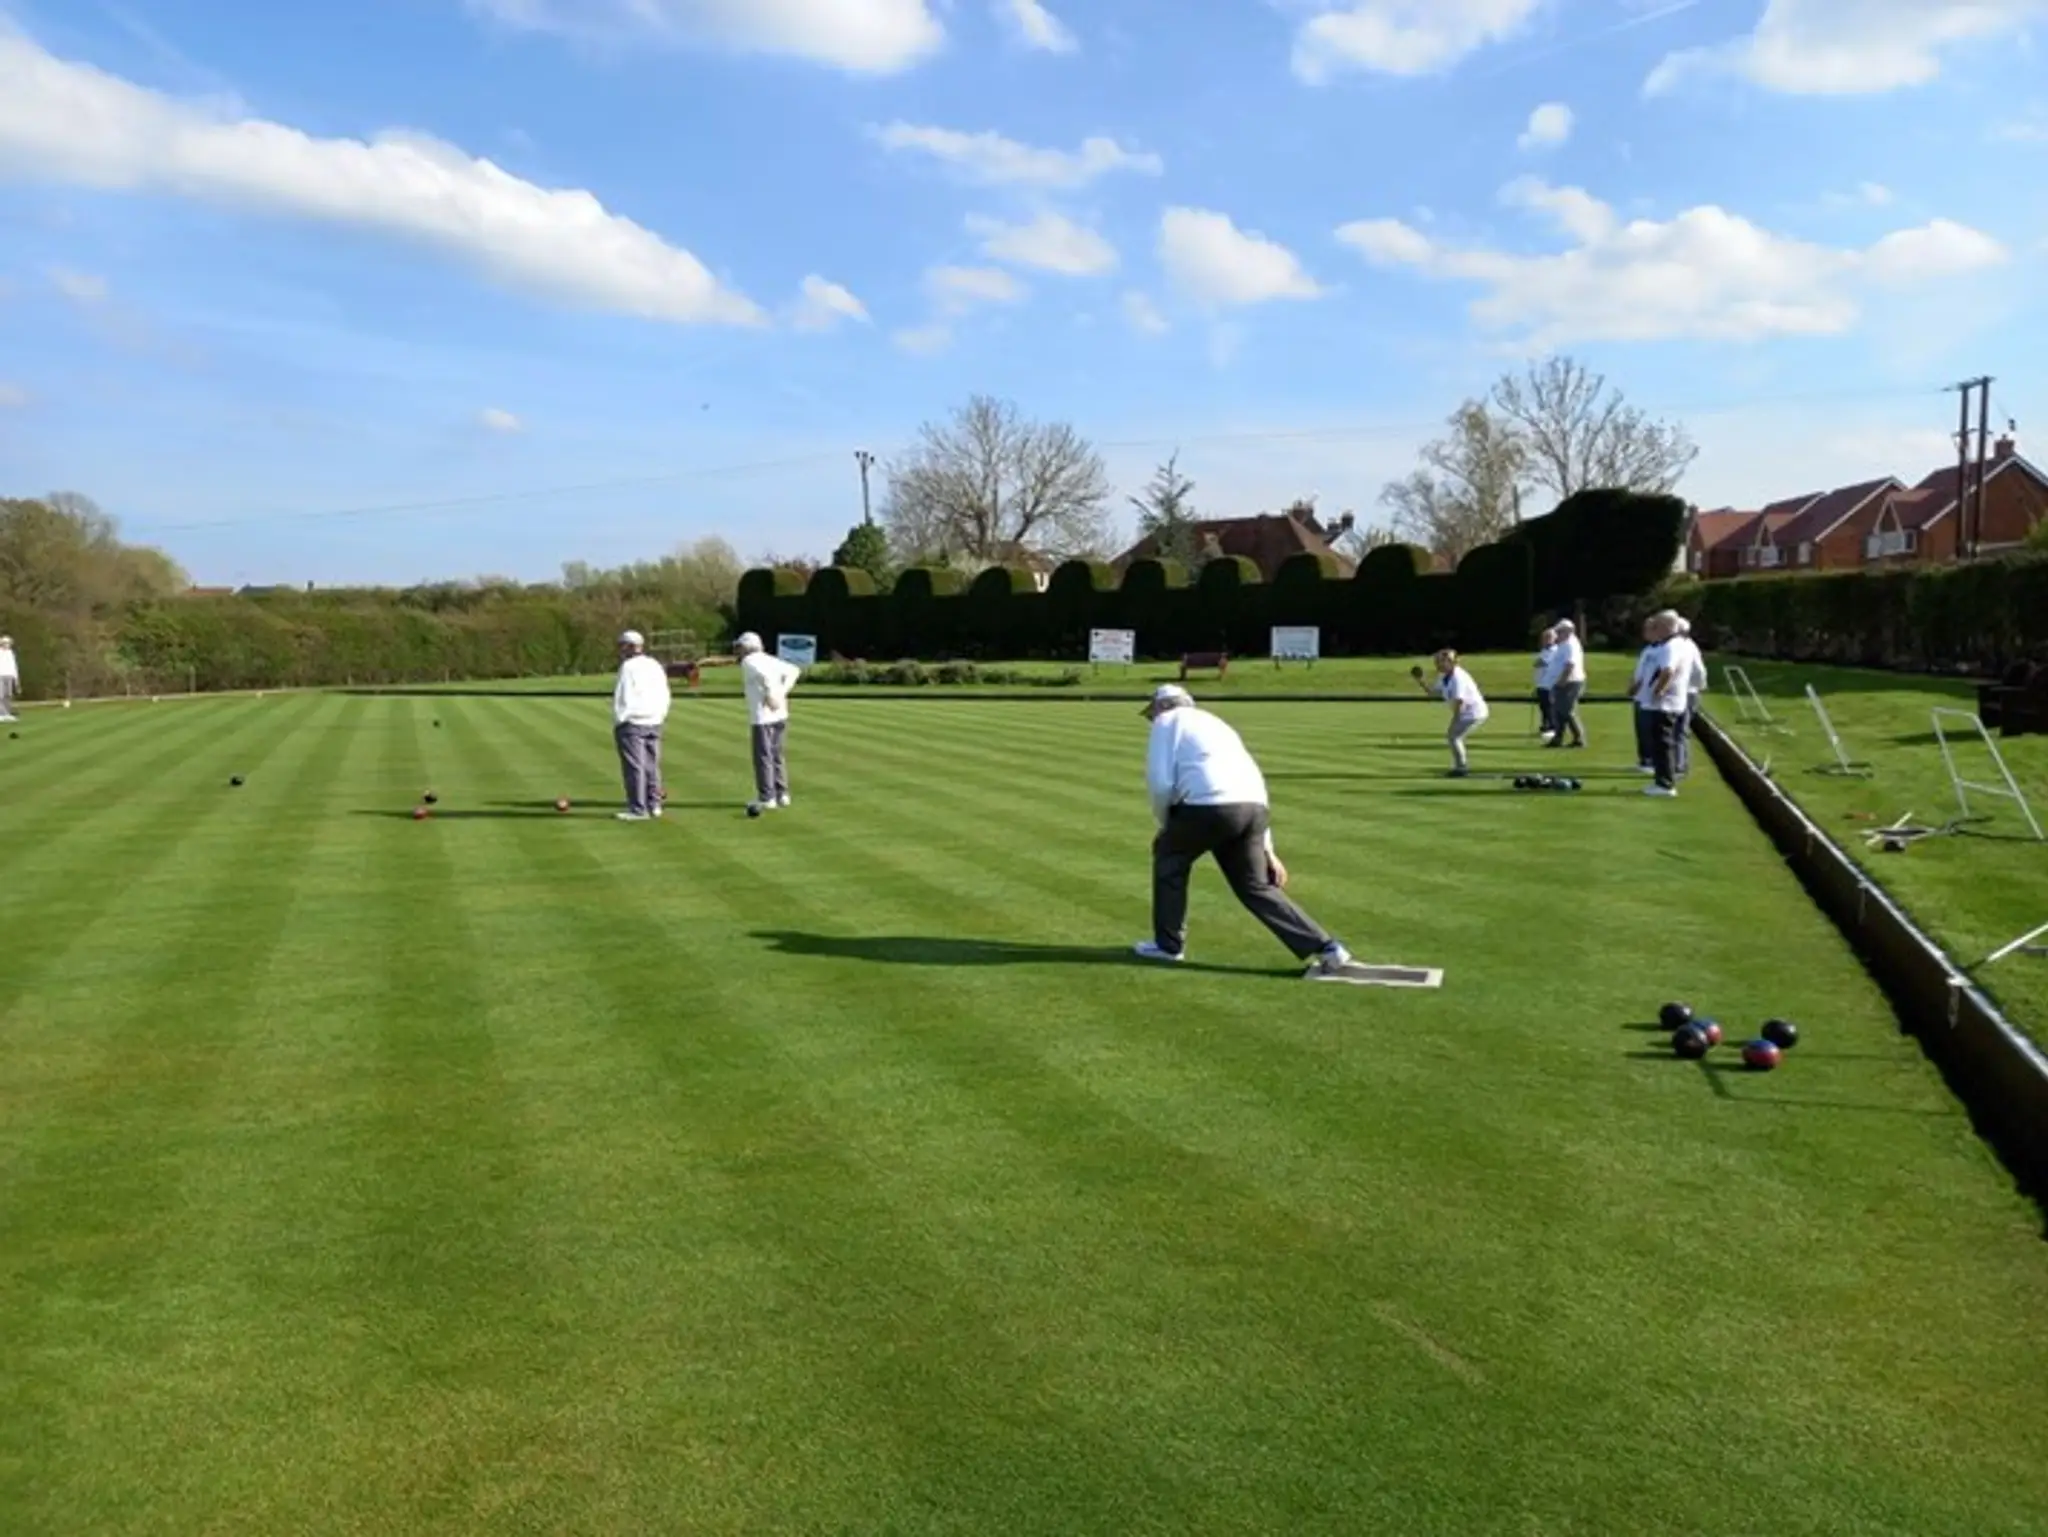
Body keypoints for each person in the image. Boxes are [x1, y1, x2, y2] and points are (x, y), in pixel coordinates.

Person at [1136, 684, 1353, 976]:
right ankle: (1327, 947)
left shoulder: (1167, 721)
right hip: (1252, 810)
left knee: (1169, 859)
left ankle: (1168, 946)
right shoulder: (1218, 724)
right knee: (1255, 886)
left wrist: (1165, 828)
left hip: (1208, 807)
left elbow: (1161, 783)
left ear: (1162, 706)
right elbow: (1254, 781)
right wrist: (1268, 848)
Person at [735, 631, 801, 813]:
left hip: (762, 717)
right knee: (777, 755)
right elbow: (794, 670)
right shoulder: (770, 659)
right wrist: (782, 693)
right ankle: (782, 794)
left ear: (745, 648)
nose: (738, 652)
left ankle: (767, 797)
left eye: (739, 648)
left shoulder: (749, 662)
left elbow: (763, 676)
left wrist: (772, 694)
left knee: (763, 757)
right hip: (781, 714)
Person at [611, 629, 671, 821]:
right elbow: (665, 692)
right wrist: (661, 714)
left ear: (629, 646)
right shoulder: (654, 664)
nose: (620, 649)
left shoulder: (628, 667)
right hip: (654, 720)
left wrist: (620, 718)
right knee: (652, 766)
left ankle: (638, 808)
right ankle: (654, 805)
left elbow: (623, 694)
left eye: (622, 645)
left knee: (634, 766)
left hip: (633, 721)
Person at [1638, 611, 1700, 798]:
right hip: (1669, 702)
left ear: (1666, 627)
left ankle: (1665, 784)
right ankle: (1662, 781)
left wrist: (1658, 692)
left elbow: (1667, 671)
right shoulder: (1675, 645)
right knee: (1661, 743)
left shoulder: (1671, 647)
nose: (1654, 629)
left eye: (1657, 625)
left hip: (1665, 704)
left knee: (1663, 744)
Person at [1413, 650, 1489, 777]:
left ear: (1449, 662)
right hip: (1467, 711)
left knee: (1453, 736)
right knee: (1453, 736)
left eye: (1439, 662)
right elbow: (1433, 693)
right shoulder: (1444, 676)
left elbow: (1460, 701)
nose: (1436, 665)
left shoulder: (1458, 677)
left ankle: (1461, 768)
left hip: (1474, 712)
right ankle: (1461, 766)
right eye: (1436, 662)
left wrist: (1456, 719)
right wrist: (1420, 680)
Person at [1543, 619, 1587, 750]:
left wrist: (1562, 680)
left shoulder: (1570, 644)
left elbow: (1570, 664)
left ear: (1568, 631)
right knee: (1559, 710)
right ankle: (1558, 738)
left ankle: (1578, 738)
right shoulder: (1563, 644)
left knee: (1566, 710)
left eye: (1560, 631)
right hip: (1562, 681)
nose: (1558, 634)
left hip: (1570, 681)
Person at [1674, 616, 1708, 778]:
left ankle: (1680, 766)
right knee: (1677, 729)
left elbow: (1700, 671)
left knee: (1680, 730)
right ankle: (1676, 763)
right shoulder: (1684, 646)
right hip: (1685, 692)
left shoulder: (1687, 647)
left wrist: (1696, 687)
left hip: (1687, 693)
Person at [1628, 617, 1659, 774]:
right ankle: (1644, 759)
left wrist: (1639, 685)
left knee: (1649, 730)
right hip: (1640, 696)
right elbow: (1639, 671)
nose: (1644, 632)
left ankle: (1651, 762)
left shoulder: (1660, 650)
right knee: (1641, 729)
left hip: (1649, 696)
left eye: (1648, 628)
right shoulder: (1647, 649)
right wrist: (1632, 685)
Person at [1532, 628, 1558, 741]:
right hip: (1541, 683)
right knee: (1543, 706)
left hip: (1548, 683)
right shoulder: (1544, 651)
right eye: (1544, 638)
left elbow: (1540, 662)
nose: (1545, 640)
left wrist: (1538, 662)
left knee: (1549, 706)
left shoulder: (1554, 650)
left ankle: (1552, 727)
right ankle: (1545, 725)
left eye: (1548, 637)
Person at [0, 635, 17, 721]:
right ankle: (1, 713)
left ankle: (7, 713)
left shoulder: (10, 653)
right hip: (1, 676)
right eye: (6, 643)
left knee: (8, 695)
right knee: (1, 695)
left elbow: (13, 665)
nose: (7, 645)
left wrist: (15, 677)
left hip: (9, 676)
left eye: (9, 643)